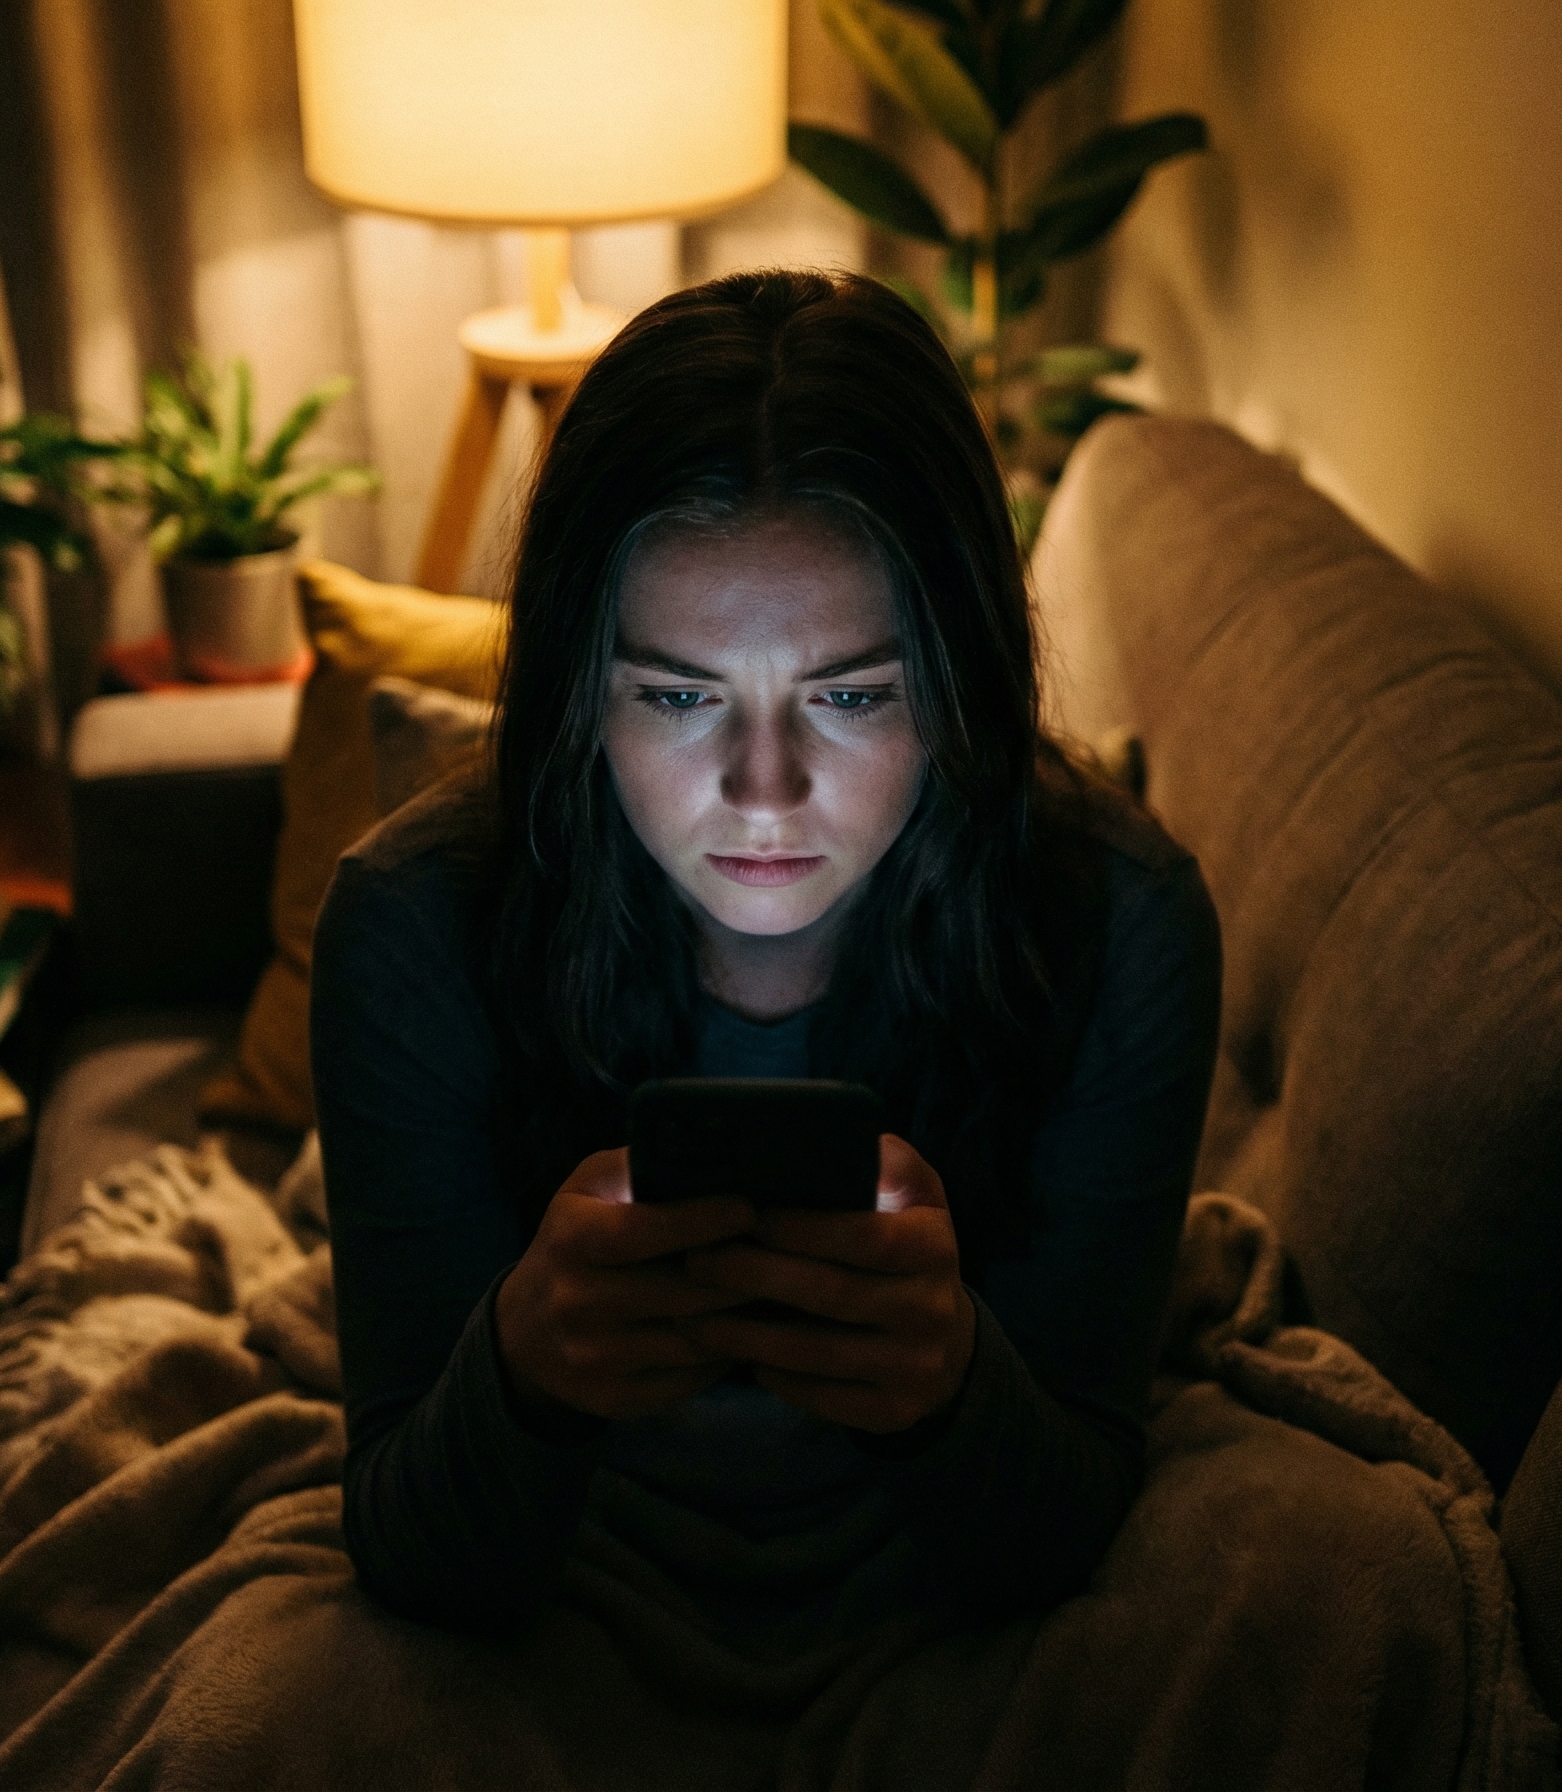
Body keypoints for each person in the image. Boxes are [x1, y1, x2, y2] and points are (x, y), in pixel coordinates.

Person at [310, 268, 1221, 1637]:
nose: (764, 789)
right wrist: (526, 1373)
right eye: (681, 696)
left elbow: (1066, 1520)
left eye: (848, 695)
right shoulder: (412, 923)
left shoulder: (1124, 924)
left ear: (959, 685)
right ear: (581, 695)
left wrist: (950, 1389)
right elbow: (407, 1545)